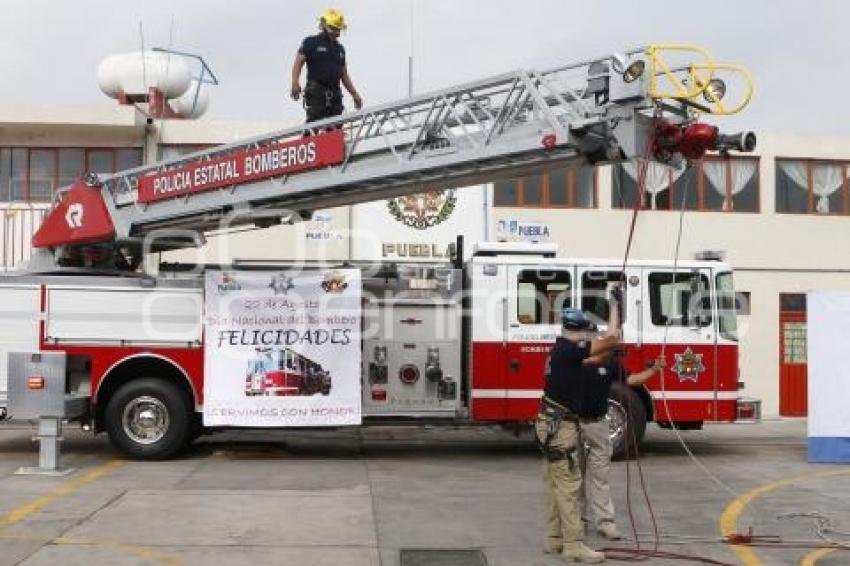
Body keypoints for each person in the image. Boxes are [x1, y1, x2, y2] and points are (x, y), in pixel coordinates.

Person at [536, 290, 621, 564]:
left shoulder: (561, 351)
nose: (589, 337)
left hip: (548, 423)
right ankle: (573, 544)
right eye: (587, 333)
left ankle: (554, 539)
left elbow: (599, 355)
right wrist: (615, 306)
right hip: (561, 427)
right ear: (582, 331)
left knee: (554, 483)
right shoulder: (571, 351)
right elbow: (612, 340)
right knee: (570, 485)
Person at [578, 345, 666, 541]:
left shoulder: (611, 364)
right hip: (574, 426)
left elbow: (632, 380)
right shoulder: (576, 360)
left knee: (600, 477)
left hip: (599, 426)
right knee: (576, 478)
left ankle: (606, 524)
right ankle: (577, 523)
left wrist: (654, 369)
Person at [290, 8, 363, 124]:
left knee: (336, 125)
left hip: (335, 92)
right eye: (335, 29)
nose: (338, 33)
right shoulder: (311, 42)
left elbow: (344, 75)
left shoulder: (339, 49)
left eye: (339, 29)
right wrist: (295, 83)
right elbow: (298, 62)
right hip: (316, 91)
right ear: (325, 26)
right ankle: (308, 141)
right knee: (314, 123)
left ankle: (333, 141)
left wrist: (355, 94)